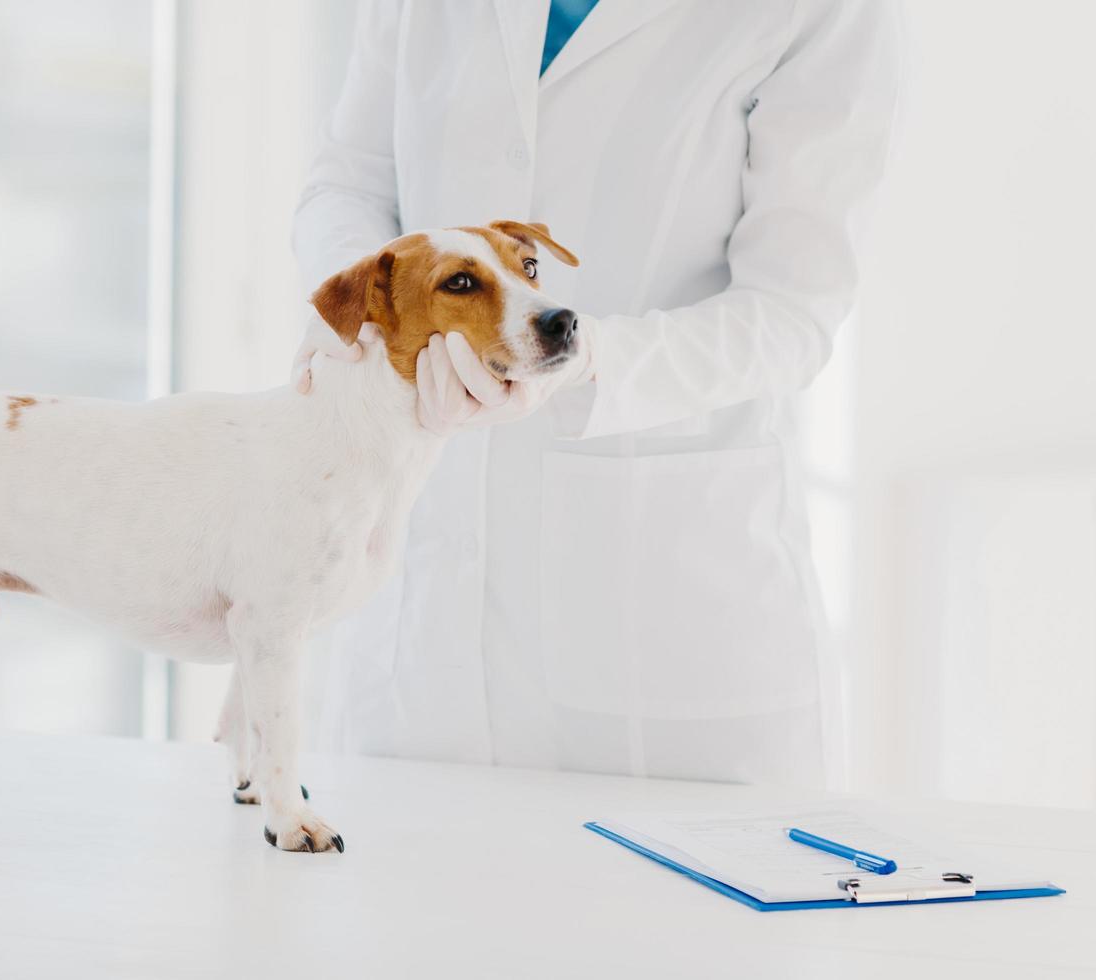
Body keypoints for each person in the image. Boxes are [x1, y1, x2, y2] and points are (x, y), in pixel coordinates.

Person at [290, 0, 900, 787]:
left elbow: (792, 310)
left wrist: (584, 361)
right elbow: (347, 181)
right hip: (410, 634)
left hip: (665, 644)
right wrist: (370, 306)